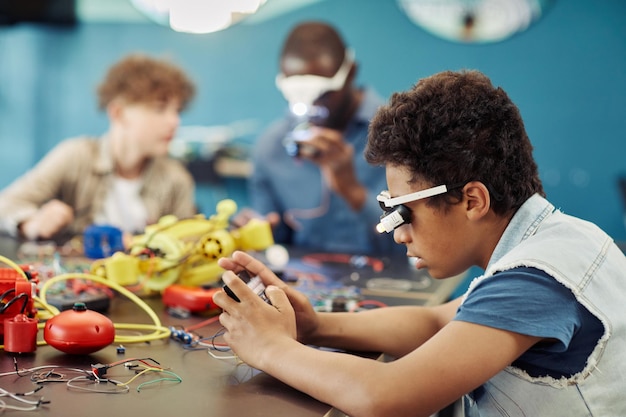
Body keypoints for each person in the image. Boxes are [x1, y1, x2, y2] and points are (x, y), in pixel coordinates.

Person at [213, 70, 626, 416]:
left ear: (472, 200)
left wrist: (270, 348)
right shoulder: (562, 239)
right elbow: (435, 323)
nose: (398, 233)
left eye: (403, 211)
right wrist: (317, 326)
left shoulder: (535, 281)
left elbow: (386, 395)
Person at [235, 21, 402, 256]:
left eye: (323, 94)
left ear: (351, 72)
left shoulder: (401, 134)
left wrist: (351, 190)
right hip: (305, 285)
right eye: (296, 95)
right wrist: (258, 231)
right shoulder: (271, 147)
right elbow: (276, 240)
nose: (312, 107)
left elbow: (414, 241)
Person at [0, 53, 197, 242]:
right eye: (159, 108)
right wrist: (30, 223)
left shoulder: (176, 180)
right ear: (119, 113)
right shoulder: (75, 156)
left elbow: (187, 248)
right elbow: (5, 204)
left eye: (177, 111)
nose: (174, 121)